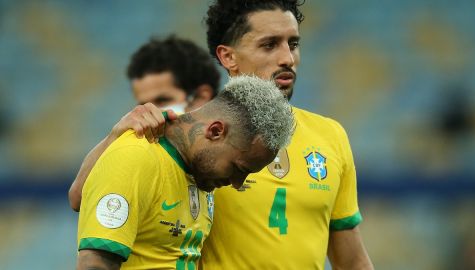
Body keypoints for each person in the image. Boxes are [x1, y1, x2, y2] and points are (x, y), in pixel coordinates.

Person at [199, 1, 374, 269]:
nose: (288, 58)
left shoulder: (330, 135)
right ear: (228, 57)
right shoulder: (198, 136)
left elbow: (352, 261)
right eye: (269, 45)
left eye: (293, 44)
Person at [76, 75, 296, 269]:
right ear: (216, 131)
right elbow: (94, 264)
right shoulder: (137, 155)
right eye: (239, 169)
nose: (238, 183)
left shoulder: (199, 172)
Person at [68, 36, 220, 211]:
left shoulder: (245, 150)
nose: (150, 111)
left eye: (162, 100)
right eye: (142, 104)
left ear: (201, 97)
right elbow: (78, 198)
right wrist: (115, 135)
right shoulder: (146, 149)